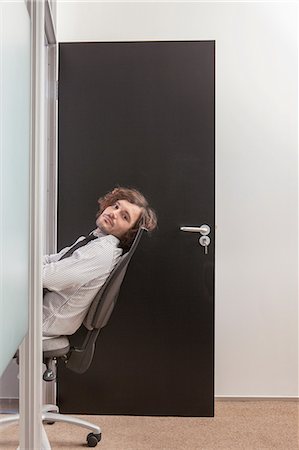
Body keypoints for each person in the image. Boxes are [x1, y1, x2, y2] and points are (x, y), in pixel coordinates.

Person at [43, 187, 157, 337]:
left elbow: (47, 278)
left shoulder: (102, 251)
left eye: (124, 217)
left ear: (130, 233)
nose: (114, 213)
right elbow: (54, 260)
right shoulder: (96, 238)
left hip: (43, 322)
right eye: (115, 206)